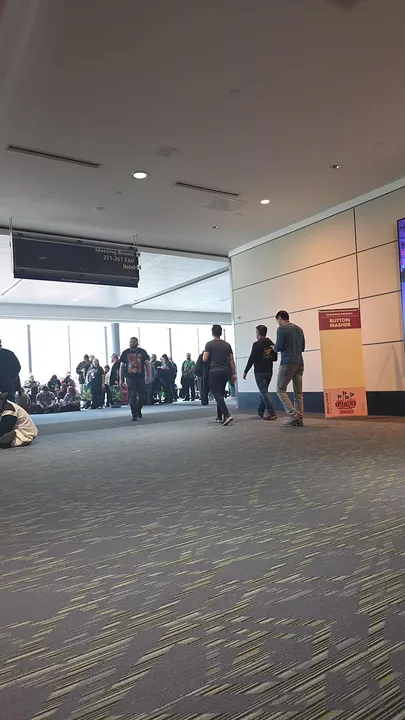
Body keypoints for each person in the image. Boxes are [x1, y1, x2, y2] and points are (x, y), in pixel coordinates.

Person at [274, 310, 305, 426]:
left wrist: (273, 348)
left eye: (277, 320)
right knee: (298, 393)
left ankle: (294, 415)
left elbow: (278, 348)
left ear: (280, 318)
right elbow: (302, 348)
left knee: (280, 390)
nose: (278, 323)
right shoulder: (299, 329)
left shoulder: (281, 329)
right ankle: (299, 418)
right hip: (300, 363)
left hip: (287, 363)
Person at [243, 324, 278, 420]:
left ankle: (272, 413)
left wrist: (245, 371)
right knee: (264, 391)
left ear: (258, 333)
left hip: (259, 371)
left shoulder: (256, 344)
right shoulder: (272, 344)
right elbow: (275, 358)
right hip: (269, 371)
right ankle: (260, 411)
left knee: (264, 392)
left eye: (256, 332)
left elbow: (252, 358)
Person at [203, 325, 236, 426]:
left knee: (216, 394)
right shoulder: (227, 345)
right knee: (220, 394)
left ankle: (227, 415)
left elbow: (205, 358)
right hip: (225, 372)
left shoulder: (209, 344)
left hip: (214, 371)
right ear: (221, 332)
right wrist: (233, 373)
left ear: (212, 333)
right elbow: (232, 360)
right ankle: (219, 416)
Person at [120, 337, 151, 421]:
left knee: (142, 396)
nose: (132, 343)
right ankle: (134, 413)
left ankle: (138, 409)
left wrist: (149, 376)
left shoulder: (142, 352)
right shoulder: (125, 352)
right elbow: (122, 366)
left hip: (140, 377)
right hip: (130, 377)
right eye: (130, 341)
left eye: (134, 341)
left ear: (137, 343)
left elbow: (147, 364)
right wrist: (121, 379)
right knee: (132, 395)